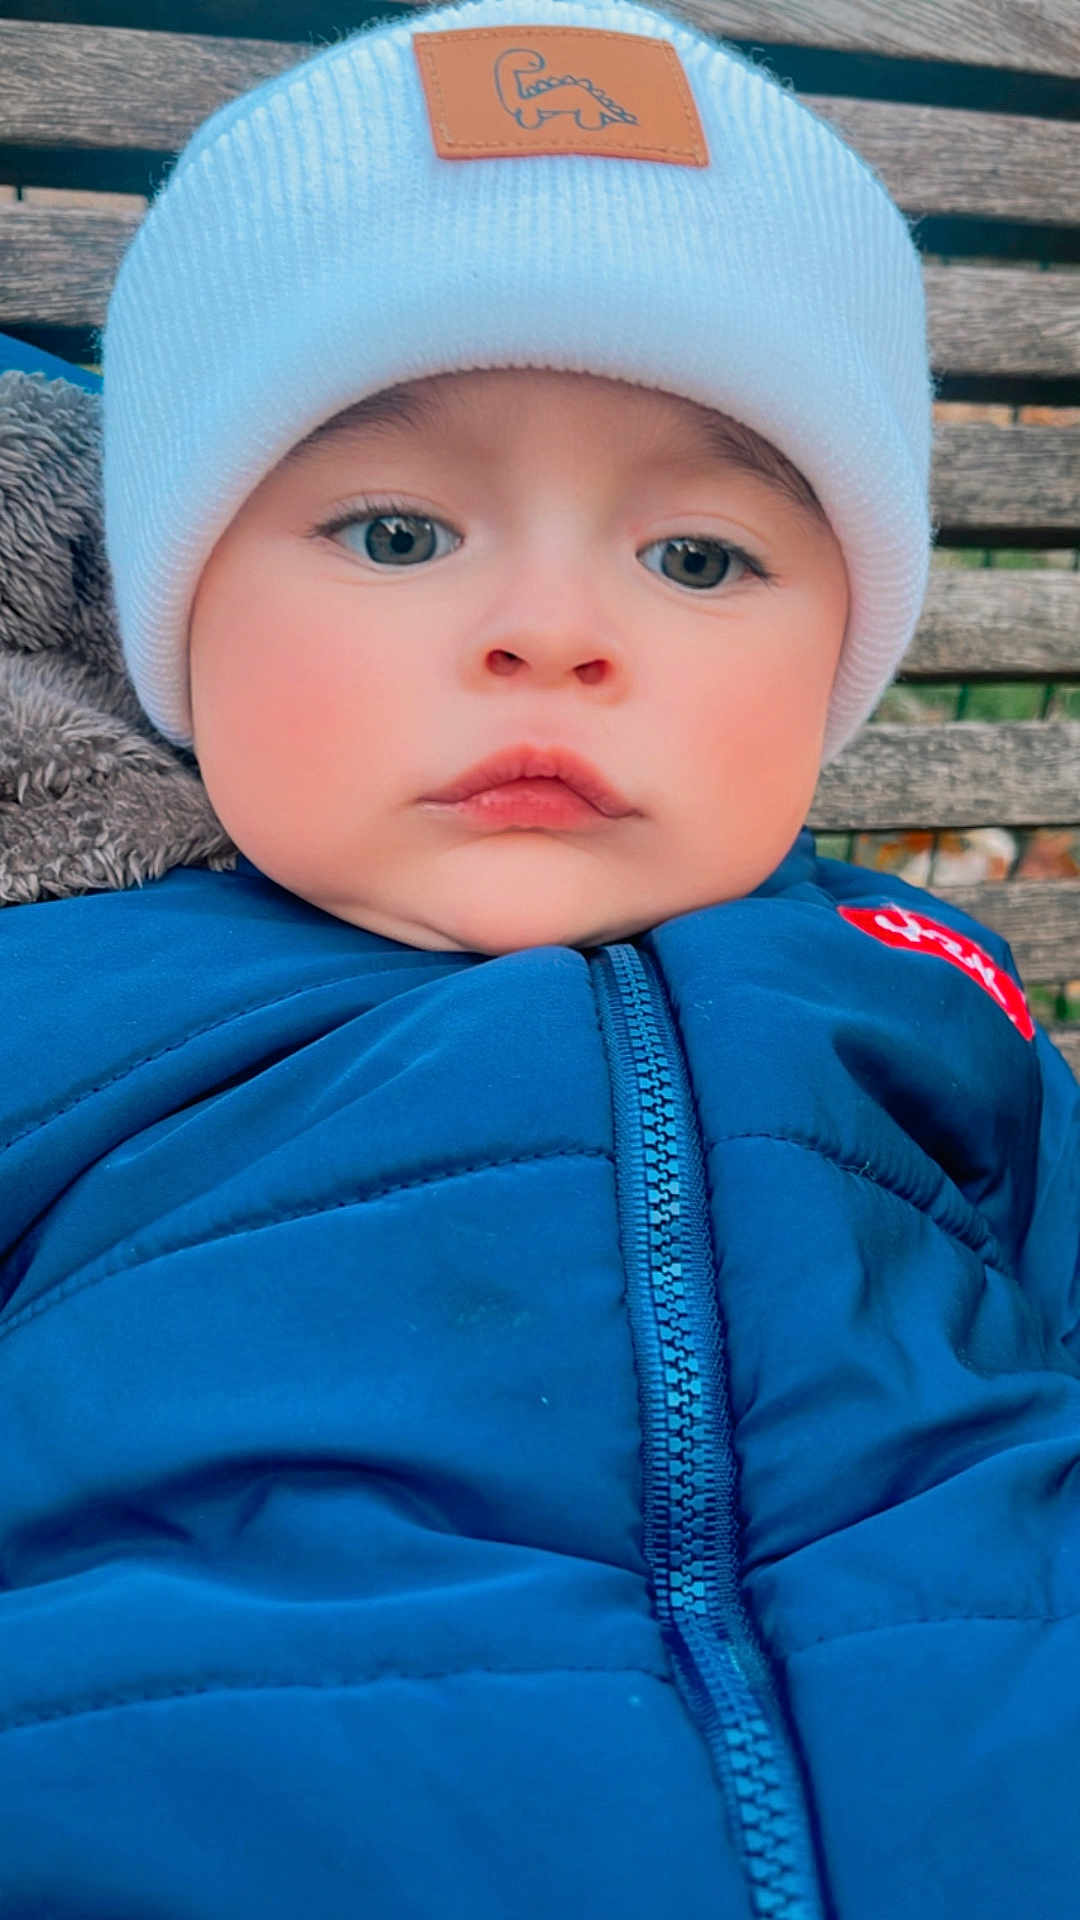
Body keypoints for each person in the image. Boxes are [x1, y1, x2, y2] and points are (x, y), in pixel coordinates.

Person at [0, 0, 1077, 1914]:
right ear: (176, 613)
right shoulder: (53, 1004)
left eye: (699, 559)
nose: (554, 630)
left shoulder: (924, 981)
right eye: (400, 528)